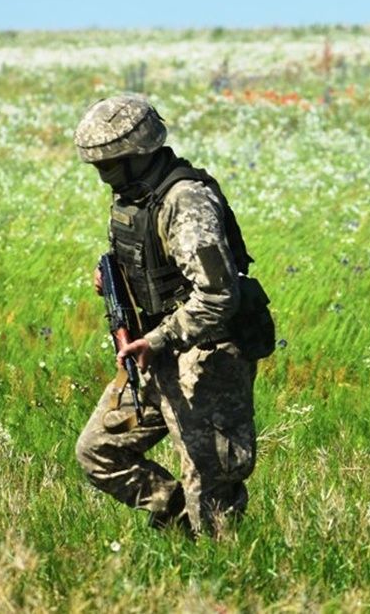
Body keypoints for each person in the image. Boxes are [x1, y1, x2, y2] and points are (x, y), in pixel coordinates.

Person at [73, 93, 272, 537]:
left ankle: (225, 569)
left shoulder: (187, 201)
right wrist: (117, 278)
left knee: (211, 482)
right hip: (153, 354)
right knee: (98, 452)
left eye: (109, 164)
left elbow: (218, 295)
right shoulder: (135, 198)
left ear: (136, 154)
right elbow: (150, 260)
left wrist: (160, 339)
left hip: (206, 357)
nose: (103, 176)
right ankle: (182, 526)